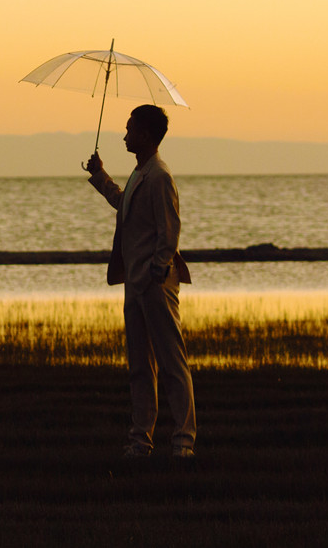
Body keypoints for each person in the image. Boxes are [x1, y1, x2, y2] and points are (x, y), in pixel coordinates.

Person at [83, 104, 196, 459]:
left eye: (130, 129)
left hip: (155, 283)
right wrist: (100, 176)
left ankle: (183, 442)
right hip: (136, 282)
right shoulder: (141, 173)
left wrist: (157, 271)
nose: (125, 135)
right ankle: (140, 440)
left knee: (171, 364)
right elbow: (125, 204)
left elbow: (169, 231)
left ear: (145, 135)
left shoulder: (160, 176)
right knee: (140, 366)